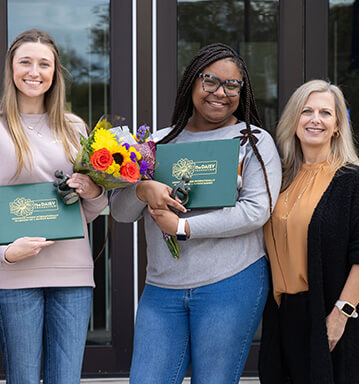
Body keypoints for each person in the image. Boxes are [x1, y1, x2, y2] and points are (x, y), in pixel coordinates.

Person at [110, 43, 282, 383]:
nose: (221, 92)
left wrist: (183, 227)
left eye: (232, 84)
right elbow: (120, 213)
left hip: (231, 283)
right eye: (210, 81)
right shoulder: (157, 144)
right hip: (162, 287)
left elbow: (256, 211)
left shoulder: (253, 141)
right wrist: (143, 189)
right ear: (191, 83)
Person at [0, 29, 107, 384]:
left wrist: (92, 191)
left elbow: (90, 209)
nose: (34, 71)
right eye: (25, 62)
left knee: (66, 380)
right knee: (24, 380)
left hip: (72, 274)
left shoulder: (75, 127)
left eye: (44, 64)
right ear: (11, 69)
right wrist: (4, 252)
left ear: (55, 73)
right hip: (14, 274)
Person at [259, 80, 359, 383]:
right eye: (307, 111)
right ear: (294, 121)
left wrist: (339, 315)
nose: (315, 119)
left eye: (325, 113)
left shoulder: (353, 180)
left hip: (332, 314)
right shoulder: (279, 179)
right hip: (285, 316)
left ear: (336, 125)